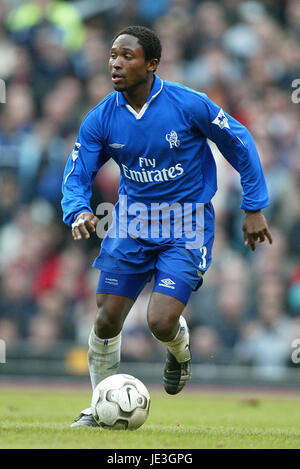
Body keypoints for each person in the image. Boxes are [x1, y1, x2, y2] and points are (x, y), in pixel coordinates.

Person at [61, 25, 272, 427]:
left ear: (152, 64)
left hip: (186, 223)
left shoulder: (189, 104)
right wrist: (78, 210)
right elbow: (77, 172)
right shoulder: (101, 118)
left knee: (159, 321)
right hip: (131, 222)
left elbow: (240, 141)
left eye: (127, 56)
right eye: (112, 55)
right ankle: (98, 408)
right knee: (106, 318)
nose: (116, 63)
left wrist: (253, 206)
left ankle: (178, 348)